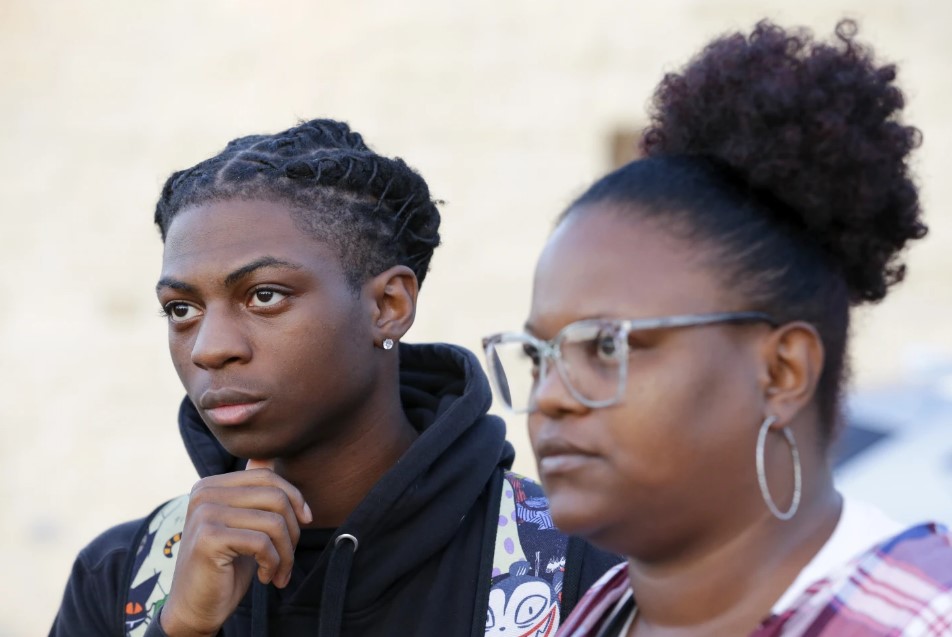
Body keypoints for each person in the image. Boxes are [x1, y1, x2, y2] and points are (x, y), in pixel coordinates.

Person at [50, 119, 620, 637]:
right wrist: (181, 629)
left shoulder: (575, 573)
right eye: (182, 309)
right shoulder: (124, 578)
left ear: (388, 306)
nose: (209, 348)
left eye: (264, 296)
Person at [482, 20, 952, 637]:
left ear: (782, 372)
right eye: (540, 356)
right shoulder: (593, 614)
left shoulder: (914, 619)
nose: (548, 398)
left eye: (606, 345)